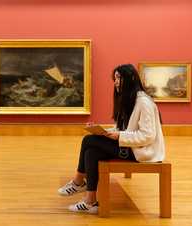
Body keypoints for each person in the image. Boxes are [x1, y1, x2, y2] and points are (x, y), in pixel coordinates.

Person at [57, 64, 165, 214]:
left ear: (131, 78)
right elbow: (124, 129)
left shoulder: (144, 102)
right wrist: (103, 131)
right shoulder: (130, 100)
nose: (115, 82)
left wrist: (119, 136)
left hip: (142, 152)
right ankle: (90, 201)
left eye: (119, 78)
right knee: (92, 152)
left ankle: (78, 182)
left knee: (89, 141)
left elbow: (147, 136)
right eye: (114, 78)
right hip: (130, 146)